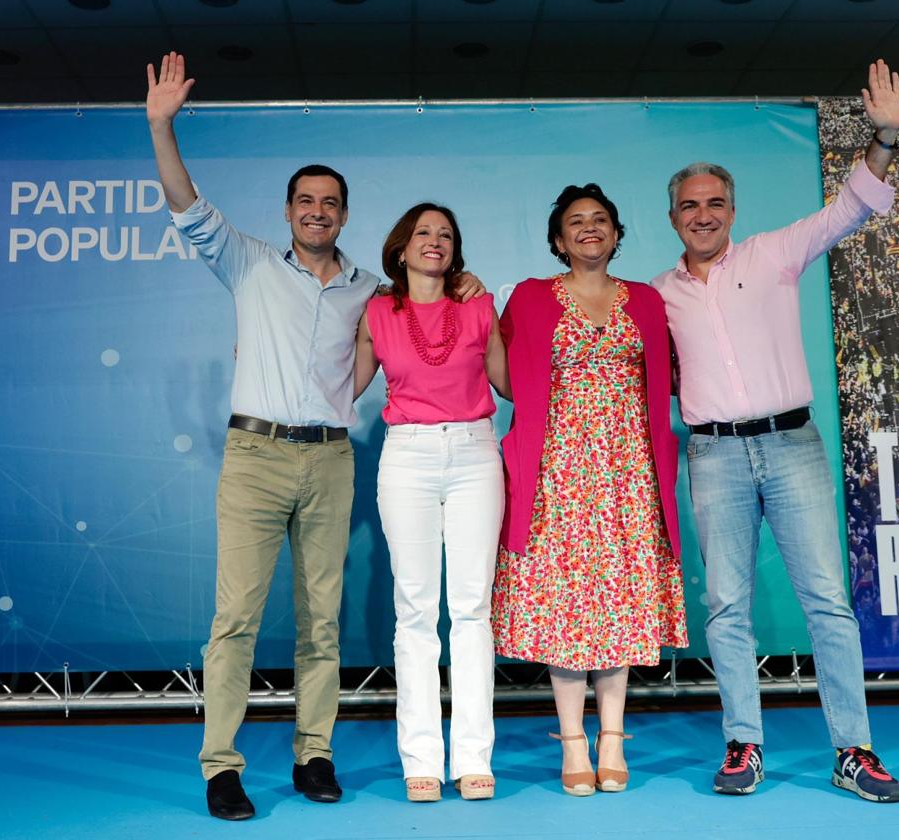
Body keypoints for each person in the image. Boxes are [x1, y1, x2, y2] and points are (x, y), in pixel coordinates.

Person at [144, 53, 482, 820]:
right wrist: (161, 126)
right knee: (235, 619)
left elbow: (428, 303)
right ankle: (222, 766)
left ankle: (314, 754)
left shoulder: (372, 291)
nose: (318, 212)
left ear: (345, 214)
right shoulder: (249, 265)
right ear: (289, 209)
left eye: (331, 203)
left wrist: (461, 280)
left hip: (330, 460)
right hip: (256, 457)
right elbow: (187, 204)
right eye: (306, 201)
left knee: (320, 620)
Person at [650, 59, 899, 803]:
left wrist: (884, 137)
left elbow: (849, 209)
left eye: (716, 203)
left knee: (827, 599)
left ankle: (853, 750)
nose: (703, 214)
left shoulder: (775, 253)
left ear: (733, 209)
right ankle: (743, 745)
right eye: (690, 205)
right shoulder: (657, 295)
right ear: (672, 217)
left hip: (792, 446)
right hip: (714, 456)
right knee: (725, 604)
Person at [492, 183, 688, 797]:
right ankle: (573, 740)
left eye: (599, 219)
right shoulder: (528, 298)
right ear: (558, 239)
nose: (588, 229)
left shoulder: (648, 302)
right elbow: (501, 371)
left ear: (616, 232)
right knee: (564, 602)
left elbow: (671, 377)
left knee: (621, 600)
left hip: (629, 471)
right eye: (575, 222)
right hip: (559, 469)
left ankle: (612, 738)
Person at [352, 203, 509, 803]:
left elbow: (509, 383)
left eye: (446, 234)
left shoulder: (478, 305)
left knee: (472, 610)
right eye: (424, 233)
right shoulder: (376, 311)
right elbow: (343, 388)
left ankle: (473, 758)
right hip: (407, 458)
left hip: (474, 455)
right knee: (415, 612)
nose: (435, 242)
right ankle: (420, 757)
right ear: (401, 247)